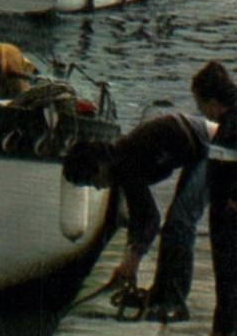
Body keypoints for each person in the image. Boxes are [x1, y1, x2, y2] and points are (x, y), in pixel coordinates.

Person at [62, 72, 226, 323]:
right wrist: (131, 258)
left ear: (99, 167)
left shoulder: (126, 161)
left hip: (215, 149)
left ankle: (173, 302)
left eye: (92, 182)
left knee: (180, 223)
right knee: (176, 223)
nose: (96, 188)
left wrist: (131, 261)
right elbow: (140, 217)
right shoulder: (120, 162)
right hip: (197, 149)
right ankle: (161, 295)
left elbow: (149, 218)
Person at [191, 59, 237, 336]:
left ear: (212, 101)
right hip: (222, 207)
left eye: (200, 105)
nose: (200, 113)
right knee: (224, 273)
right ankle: (221, 332)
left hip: (233, 207)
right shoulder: (227, 122)